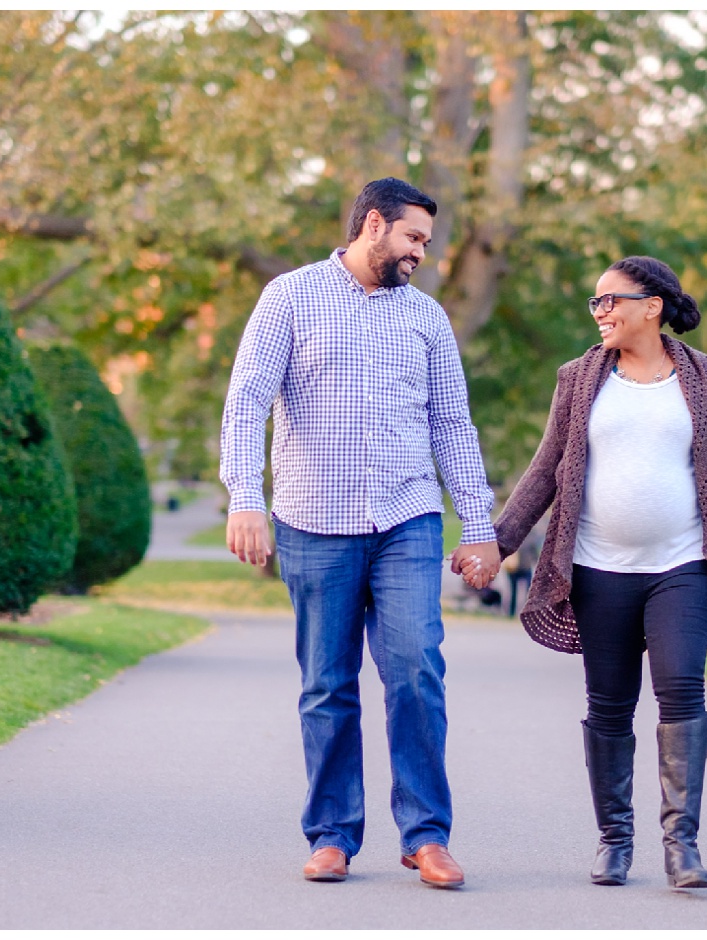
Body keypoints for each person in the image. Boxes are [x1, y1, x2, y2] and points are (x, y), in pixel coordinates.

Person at [220, 177, 500, 889]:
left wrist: (481, 525)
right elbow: (247, 400)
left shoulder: (427, 318)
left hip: (408, 518)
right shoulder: (290, 296)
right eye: (413, 238)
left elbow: (452, 425)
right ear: (373, 224)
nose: (421, 254)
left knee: (415, 669)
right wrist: (244, 497)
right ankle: (333, 835)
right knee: (327, 684)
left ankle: (426, 836)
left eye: (427, 244)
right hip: (314, 520)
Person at [463, 255, 707, 890]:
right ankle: (614, 841)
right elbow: (545, 469)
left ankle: (682, 847)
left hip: (680, 566)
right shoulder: (578, 379)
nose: (599, 312)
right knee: (610, 704)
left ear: (651, 306)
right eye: (594, 303)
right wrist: (497, 543)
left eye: (610, 301)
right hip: (598, 569)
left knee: (682, 691)